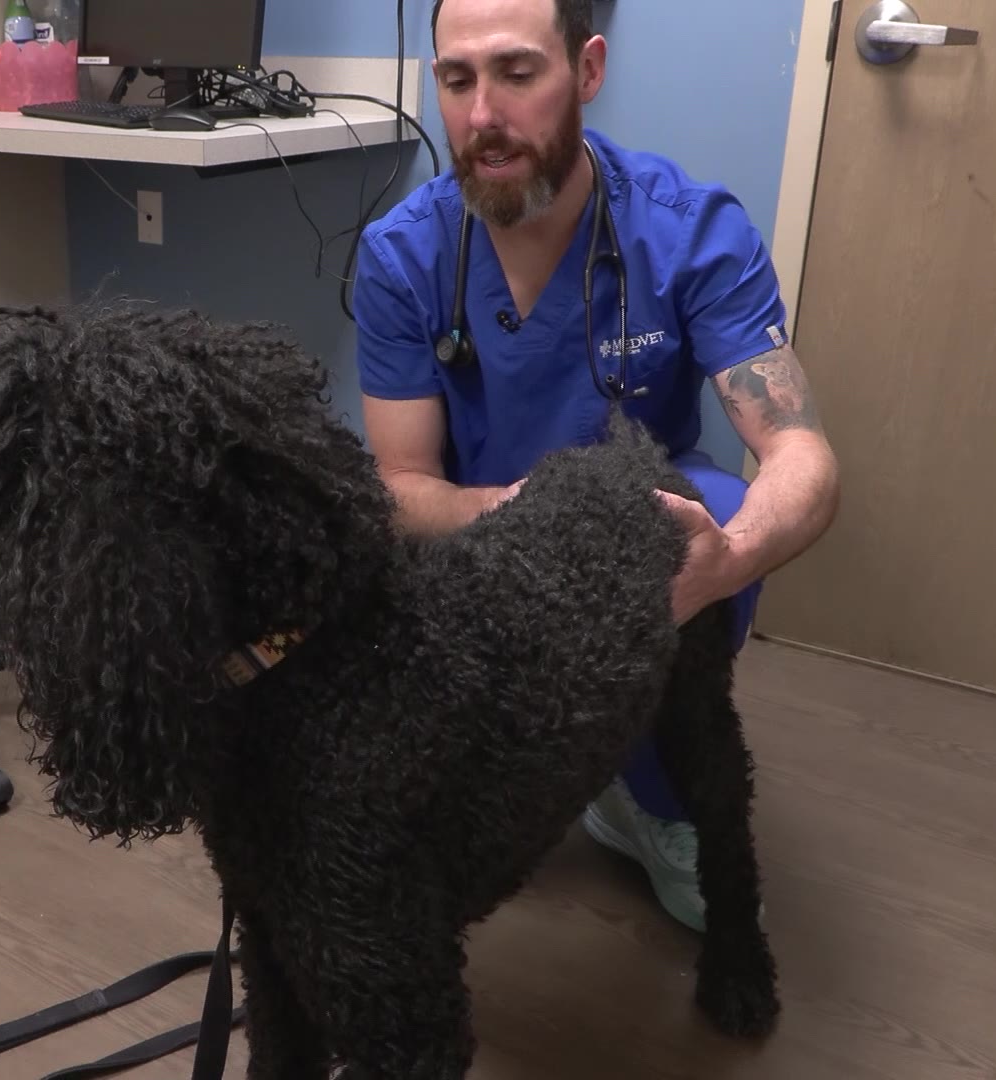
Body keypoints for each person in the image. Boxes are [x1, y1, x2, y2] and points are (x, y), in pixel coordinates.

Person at [351, 0, 840, 932]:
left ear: (589, 69)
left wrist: (726, 562)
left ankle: (643, 797)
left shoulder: (690, 230)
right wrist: (515, 519)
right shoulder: (402, 254)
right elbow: (401, 485)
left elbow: (803, 455)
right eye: (457, 80)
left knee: (723, 506)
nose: (483, 113)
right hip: (476, 542)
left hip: (631, 543)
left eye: (517, 72)